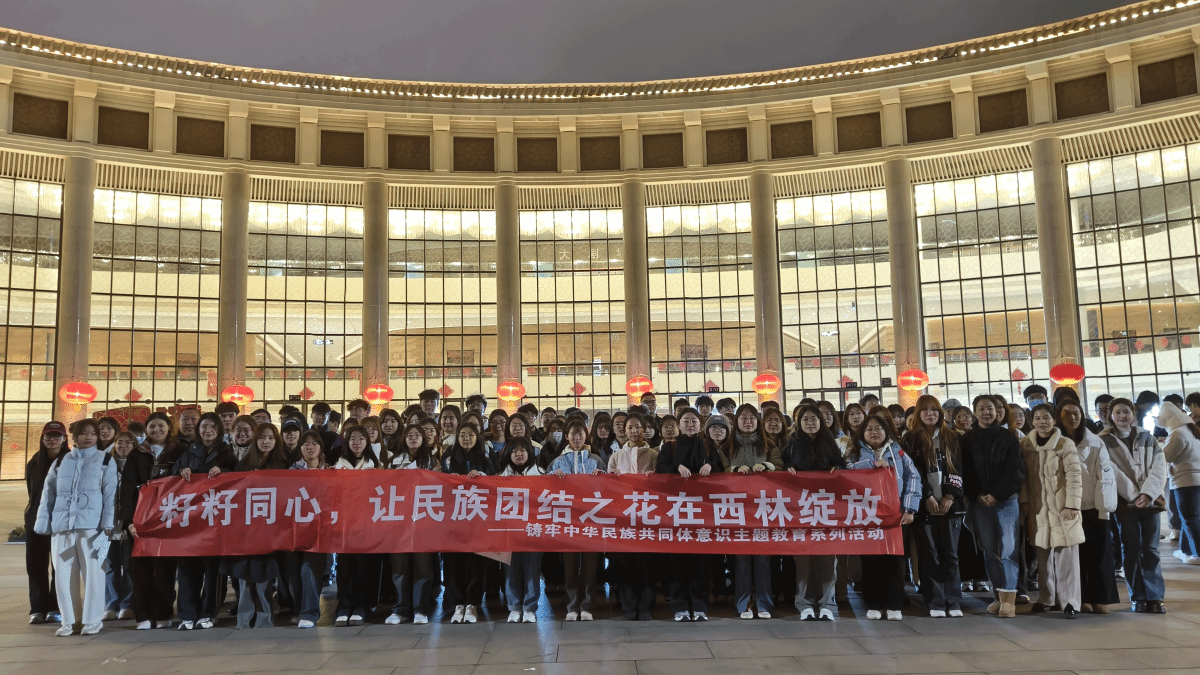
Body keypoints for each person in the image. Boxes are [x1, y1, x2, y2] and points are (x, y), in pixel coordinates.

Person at [34, 419, 118, 636]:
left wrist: (108, 525)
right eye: (84, 433)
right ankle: (70, 622)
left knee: (95, 575)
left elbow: (110, 496)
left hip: (95, 529)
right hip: (62, 527)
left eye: (93, 433)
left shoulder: (106, 460)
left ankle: (92, 621)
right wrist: (43, 524)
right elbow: (48, 494)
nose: (88, 437)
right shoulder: (61, 461)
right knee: (63, 576)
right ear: (74, 437)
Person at [163, 412, 238, 630]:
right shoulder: (187, 452)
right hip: (190, 521)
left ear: (219, 430)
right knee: (187, 568)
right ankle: (188, 614)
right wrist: (181, 471)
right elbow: (172, 480)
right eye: (204, 426)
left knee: (213, 570)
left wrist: (224, 471)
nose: (208, 430)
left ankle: (208, 613)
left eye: (212, 426)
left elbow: (239, 478)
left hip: (215, 521)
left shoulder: (226, 453)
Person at [846, 411, 920, 620]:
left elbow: (913, 478)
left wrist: (909, 508)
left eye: (878, 428)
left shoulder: (899, 452)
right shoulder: (855, 452)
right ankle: (874, 603)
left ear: (886, 431)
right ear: (862, 433)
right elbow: (847, 470)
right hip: (867, 515)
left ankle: (894, 604)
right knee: (871, 560)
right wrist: (871, 465)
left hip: (895, 516)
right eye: (869, 429)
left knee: (894, 560)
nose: (874, 432)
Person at [961, 395, 1026, 618]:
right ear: (975, 412)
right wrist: (977, 494)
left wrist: (997, 495)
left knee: (1009, 550)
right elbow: (965, 471)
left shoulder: (1009, 437)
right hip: (979, 503)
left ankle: (1009, 600)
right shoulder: (966, 440)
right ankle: (999, 596)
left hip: (1006, 501)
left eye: (990, 408)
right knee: (989, 551)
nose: (986, 412)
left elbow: (1016, 470)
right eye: (981, 409)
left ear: (997, 412)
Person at [1101, 397, 1167, 613]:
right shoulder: (1103, 441)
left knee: (1151, 549)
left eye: (1126, 412)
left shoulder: (1148, 437)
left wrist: (1148, 494)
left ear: (1133, 414)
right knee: (1130, 548)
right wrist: (1134, 495)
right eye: (1118, 412)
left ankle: (1155, 596)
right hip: (1124, 504)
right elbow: (1110, 470)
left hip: (1151, 502)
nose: (1122, 416)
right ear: (1111, 416)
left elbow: (1159, 467)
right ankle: (1138, 596)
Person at [656, 408, 723, 622]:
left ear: (701, 424)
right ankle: (680, 606)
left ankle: (699, 605)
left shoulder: (708, 446)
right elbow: (660, 470)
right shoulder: (670, 447)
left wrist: (710, 465)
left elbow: (722, 471)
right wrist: (677, 467)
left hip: (703, 513)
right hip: (676, 512)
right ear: (679, 425)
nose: (690, 424)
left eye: (694, 421)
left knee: (701, 562)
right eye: (686, 421)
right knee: (677, 561)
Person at [1020, 404, 1085, 618]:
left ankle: (1070, 602)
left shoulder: (1065, 444)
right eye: (1037, 418)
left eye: (1046, 417)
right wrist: (1024, 502)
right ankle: (1046, 598)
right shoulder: (1026, 444)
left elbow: (1074, 475)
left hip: (1062, 508)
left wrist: (1072, 504)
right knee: (1042, 557)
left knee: (1066, 556)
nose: (1042, 422)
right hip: (1038, 509)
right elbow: (1022, 478)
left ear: (1054, 420)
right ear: (1032, 421)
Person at [904, 396, 965, 618]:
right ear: (918, 414)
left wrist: (949, 496)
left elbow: (958, 468)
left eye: (934, 410)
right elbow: (912, 471)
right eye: (925, 410)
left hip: (950, 505)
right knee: (929, 555)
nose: (930, 414)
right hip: (924, 506)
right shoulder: (910, 439)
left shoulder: (953, 437)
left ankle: (953, 600)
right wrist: (927, 496)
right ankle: (935, 601)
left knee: (951, 554)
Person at [783, 404, 846, 621]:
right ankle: (804, 603)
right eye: (805, 419)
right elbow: (782, 468)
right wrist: (786, 469)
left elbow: (843, 467)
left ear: (821, 421)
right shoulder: (791, 445)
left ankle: (827, 603)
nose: (810, 423)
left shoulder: (831, 444)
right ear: (798, 423)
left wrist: (839, 469)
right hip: (800, 511)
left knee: (828, 560)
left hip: (827, 510)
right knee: (803, 561)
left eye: (814, 419)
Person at [1057, 398, 1118, 614]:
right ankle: (1080, 598)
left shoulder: (1094, 441)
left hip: (1093, 505)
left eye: (1076, 413)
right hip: (1067, 507)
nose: (1072, 417)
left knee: (1100, 554)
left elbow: (1105, 475)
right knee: (1076, 556)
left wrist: (1105, 506)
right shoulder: (1055, 442)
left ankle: (1100, 598)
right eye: (1067, 414)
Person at [726, 404, 782, 619]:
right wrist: (732, 470)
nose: (748, 422)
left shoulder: (769, 444)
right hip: (736, 510)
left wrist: (767, 466)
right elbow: (718, 470)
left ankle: (764, 603)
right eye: (743, 418)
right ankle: (744, 604)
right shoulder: (728, 445)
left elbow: (780, 466)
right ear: (736, 421)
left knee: (763, 557)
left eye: (752, 418)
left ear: (758, 422)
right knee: (741, 559)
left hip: (763, 509)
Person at [124, 412, 176, 629]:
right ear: (146, 429)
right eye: (152, 426)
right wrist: (128, 520)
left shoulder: (178, 451)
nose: (157, 430)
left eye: (161, 425)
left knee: (165, 569)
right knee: (140, 568)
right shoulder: (136, 454)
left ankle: (163, 613)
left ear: (169, 427)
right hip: (141, 519)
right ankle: (143, 615)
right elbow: (127, 489)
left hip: (168, 518)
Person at [386, 423, 441, 625]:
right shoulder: (393, 461)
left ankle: (420, 609)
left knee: (423, 567)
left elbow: (439, 484)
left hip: (423, 520)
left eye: (417, 435)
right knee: (400, 568)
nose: (413, 438)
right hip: (399, 521)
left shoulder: (432, 460)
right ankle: (400, 609)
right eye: (409, 435)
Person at [550, 419, 604, 621]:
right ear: (566, 436)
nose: (577, 437)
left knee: (590, 565)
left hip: (591, 520)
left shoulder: (596, 459)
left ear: (586, 435)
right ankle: (572, 606)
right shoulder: (558, 461)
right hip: (567, 521)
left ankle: (588, 605)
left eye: (580, 433)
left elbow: (610, 487)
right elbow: (544, 486)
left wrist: (602, 476)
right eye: (573, 433)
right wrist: (552, 475)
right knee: (570, 565)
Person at [442, 422, 494, 623]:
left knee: (476, 561)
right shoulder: (448, 456)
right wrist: (449, 478)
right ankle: (457, 603)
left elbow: (498, 481)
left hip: (478, 517)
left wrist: (482, 477)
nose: (466, 438)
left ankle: (473, 603)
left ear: (477, 436)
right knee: (454, 561)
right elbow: (436, 481)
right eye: (462, 434)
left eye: (470, 434)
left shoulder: (486, 457)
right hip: (452, 517)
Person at [608, 413, 658, 620]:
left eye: (638, 427)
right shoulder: (616, 456)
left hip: (647, 516)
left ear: (644, 430)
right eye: (630, 427)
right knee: (625, 565)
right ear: (624, 430)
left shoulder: (654, 454)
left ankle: (645, 607)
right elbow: (607, 487)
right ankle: (629, 607)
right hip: (623, 518)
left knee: (646, 565)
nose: (634, 431)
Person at [332, 425, 381, 626]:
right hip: (343, 524)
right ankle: (344, 605)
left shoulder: (376, 466)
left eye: (361, 438)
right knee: (343, 566)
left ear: (367, 442)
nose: (357, 442)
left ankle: (361, 606)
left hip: (367, 523)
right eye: (352, 438)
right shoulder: (338, 466)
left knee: (363, 566)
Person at [25, 421, 67, 626]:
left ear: (64, 439)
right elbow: (32, 492)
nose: (52, 440)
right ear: (42, 439)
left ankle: (55, 607)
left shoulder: (69, 460)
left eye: (56, 436)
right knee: (36, 566)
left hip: (61, 520)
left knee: (59, 566)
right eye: (48, 436)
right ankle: (37, 608)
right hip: (36, 520)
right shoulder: (34, 462)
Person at [499, 437, 544, 622]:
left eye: (523, 450)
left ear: (529, 453)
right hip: (509, 531)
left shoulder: (541, 474)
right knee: (510, 569)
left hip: (533, 530)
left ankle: (530, 607)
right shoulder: (499, 477)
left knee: (532, 569)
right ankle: (514, 606)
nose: (519, 454)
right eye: (515, 451)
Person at [287, 431, 329, 629]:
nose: (310, 447)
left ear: (320, 447)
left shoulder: (330, 471)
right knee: (295, 574)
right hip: (296, 531)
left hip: (321, 531)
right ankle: (299, 609)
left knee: (309, 570)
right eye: (306, 444)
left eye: (314, 443)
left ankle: (309, 613)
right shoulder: (291, 472)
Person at [1161, 401, 1200, 567]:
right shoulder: (1190, 431)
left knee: (1189, 518)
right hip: (1195, 479)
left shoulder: (1177, 433)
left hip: (1184, 481)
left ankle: (1197, 553)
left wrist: (1159, 447)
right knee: (1190, 518)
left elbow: (1167, 456)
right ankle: (1185, 549)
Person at [103, 431, 137, 621]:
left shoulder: (138, 465)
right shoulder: (105, 464)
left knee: (129, 564)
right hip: (107, 522)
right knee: (110, 564)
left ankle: (127, 604)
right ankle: (111, 603)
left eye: (128, 443)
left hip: (129, 521)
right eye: (119, 442)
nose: (123, 446)